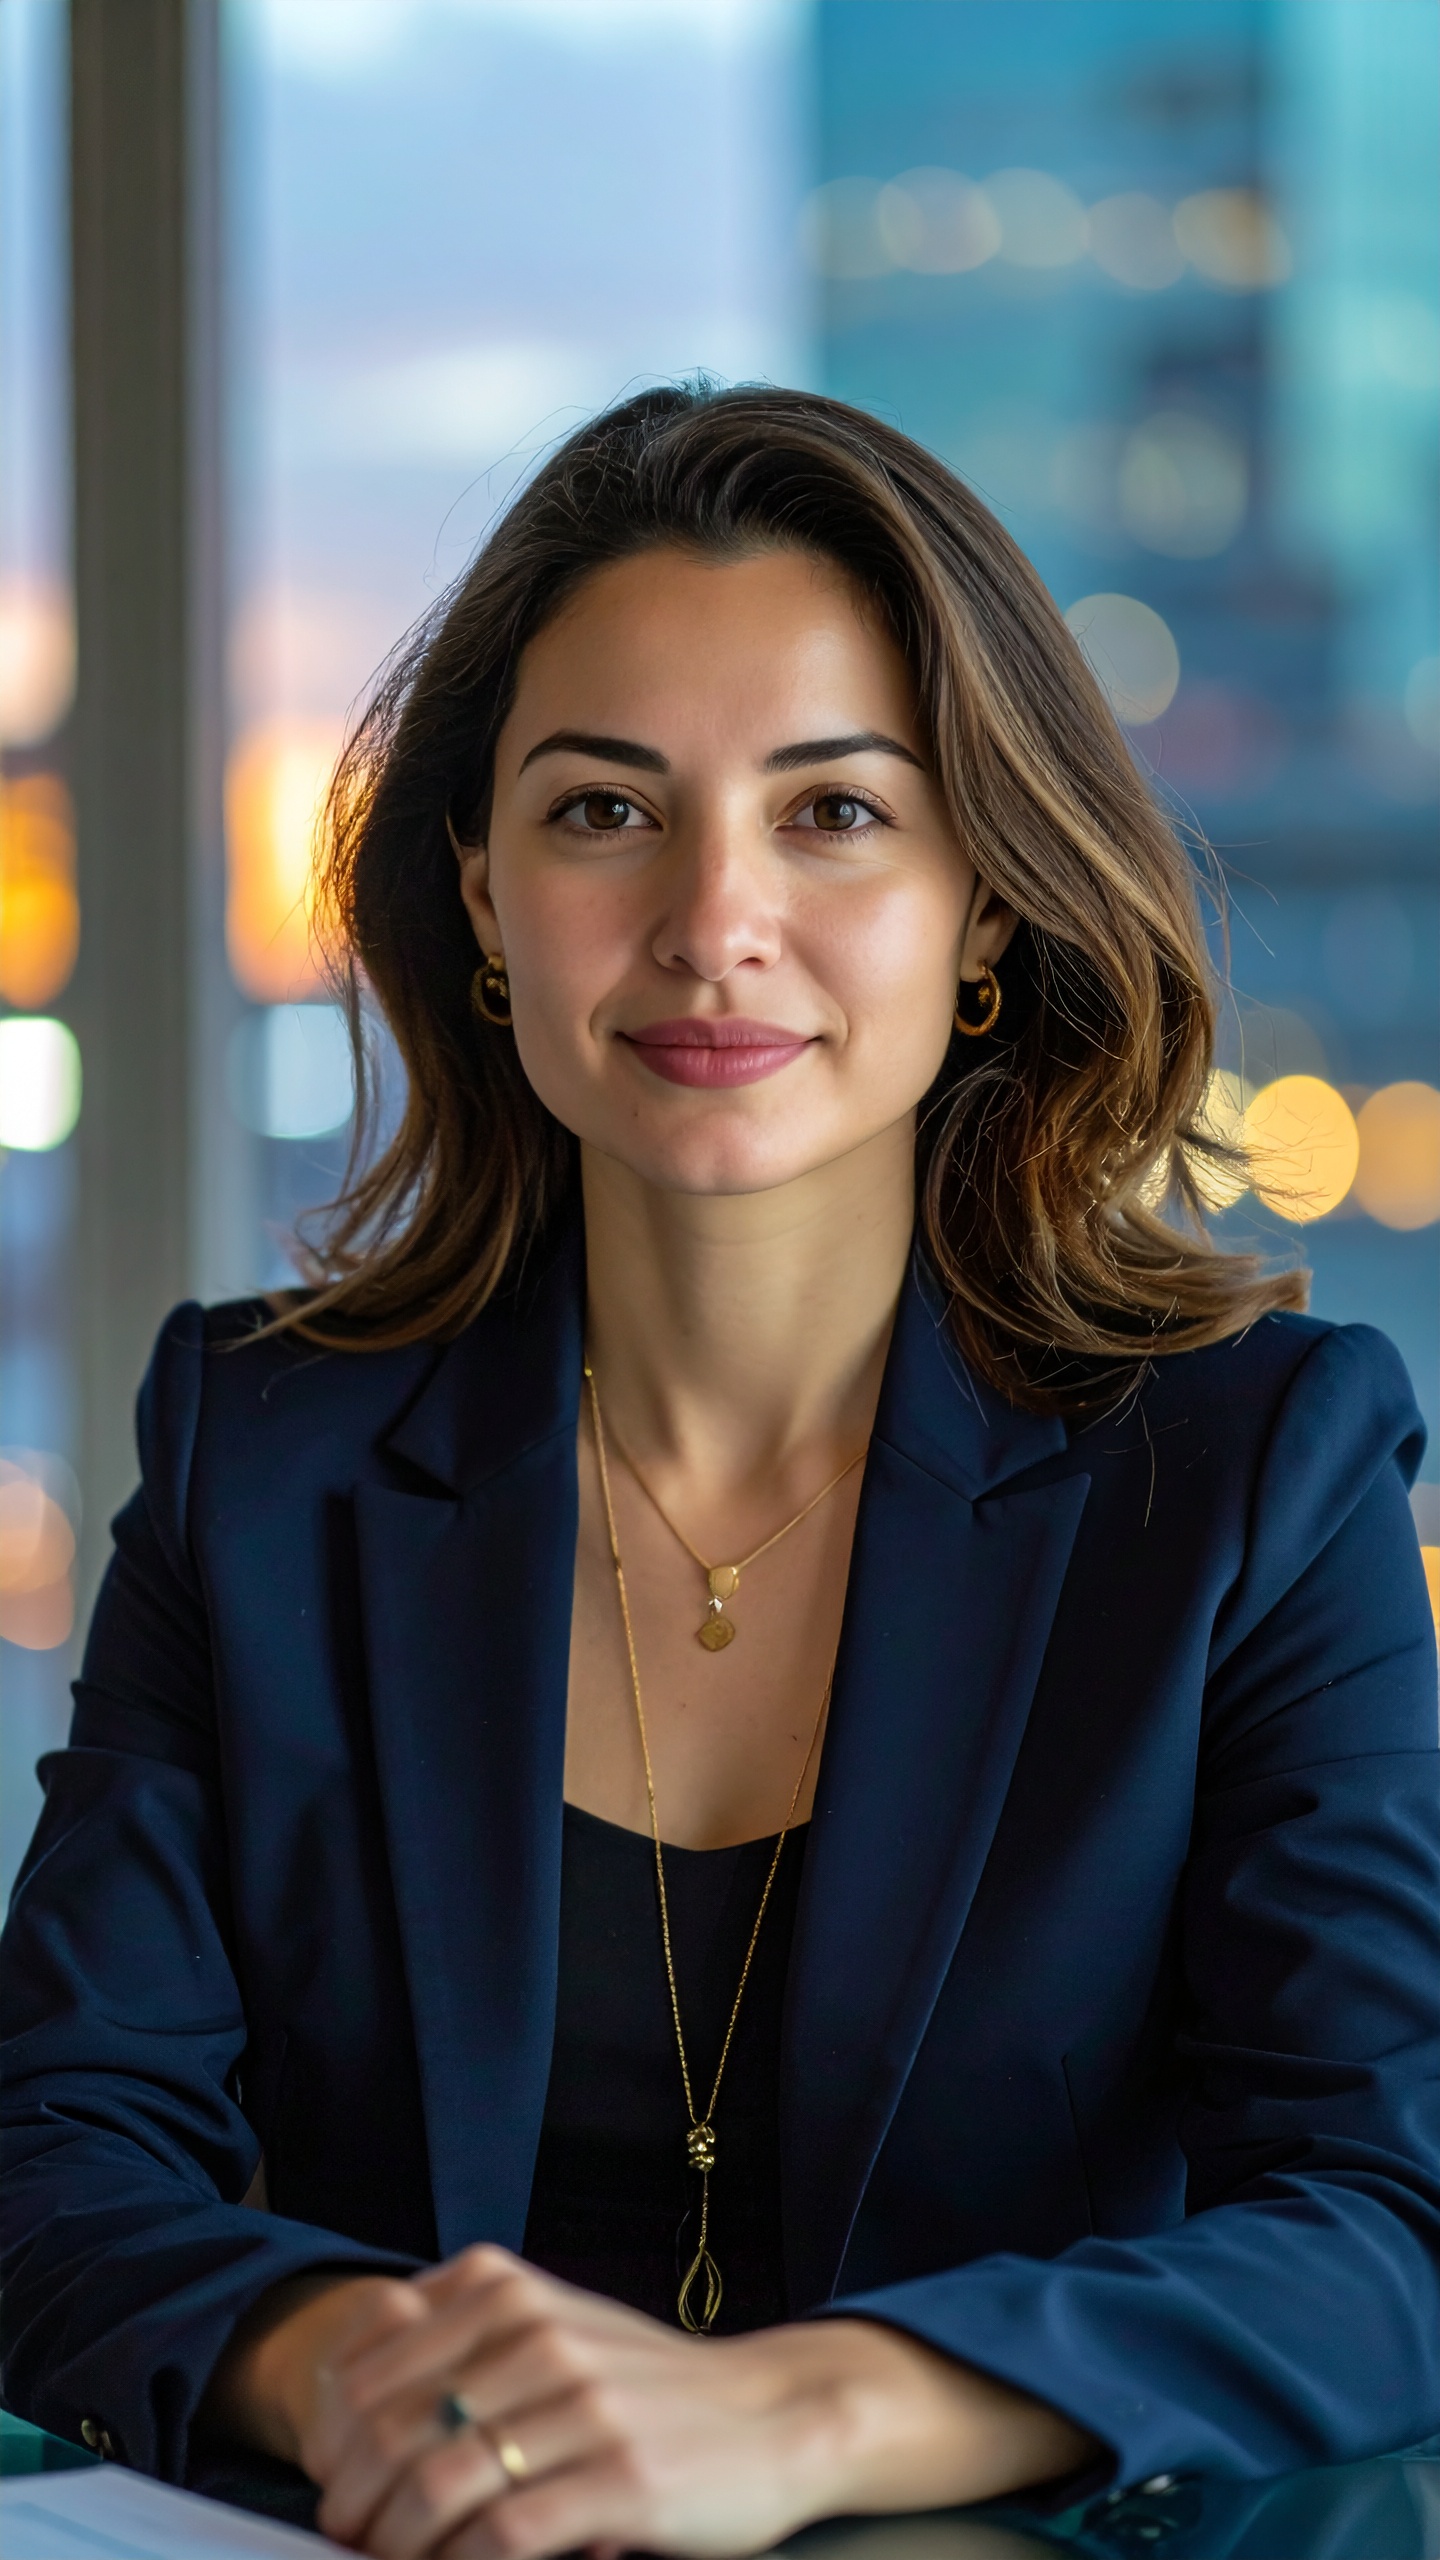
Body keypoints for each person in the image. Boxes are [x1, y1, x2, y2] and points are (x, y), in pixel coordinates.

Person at [2, 384, 1438, 2560]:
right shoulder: (263, 1456)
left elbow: (1389, 2206)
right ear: (482, 894)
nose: (710, 918)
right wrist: (378, 2372)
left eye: (835, 814)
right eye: (604, 810)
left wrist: (803, 2413)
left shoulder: (1252, 1474)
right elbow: (53, 2155)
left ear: (983, 905)